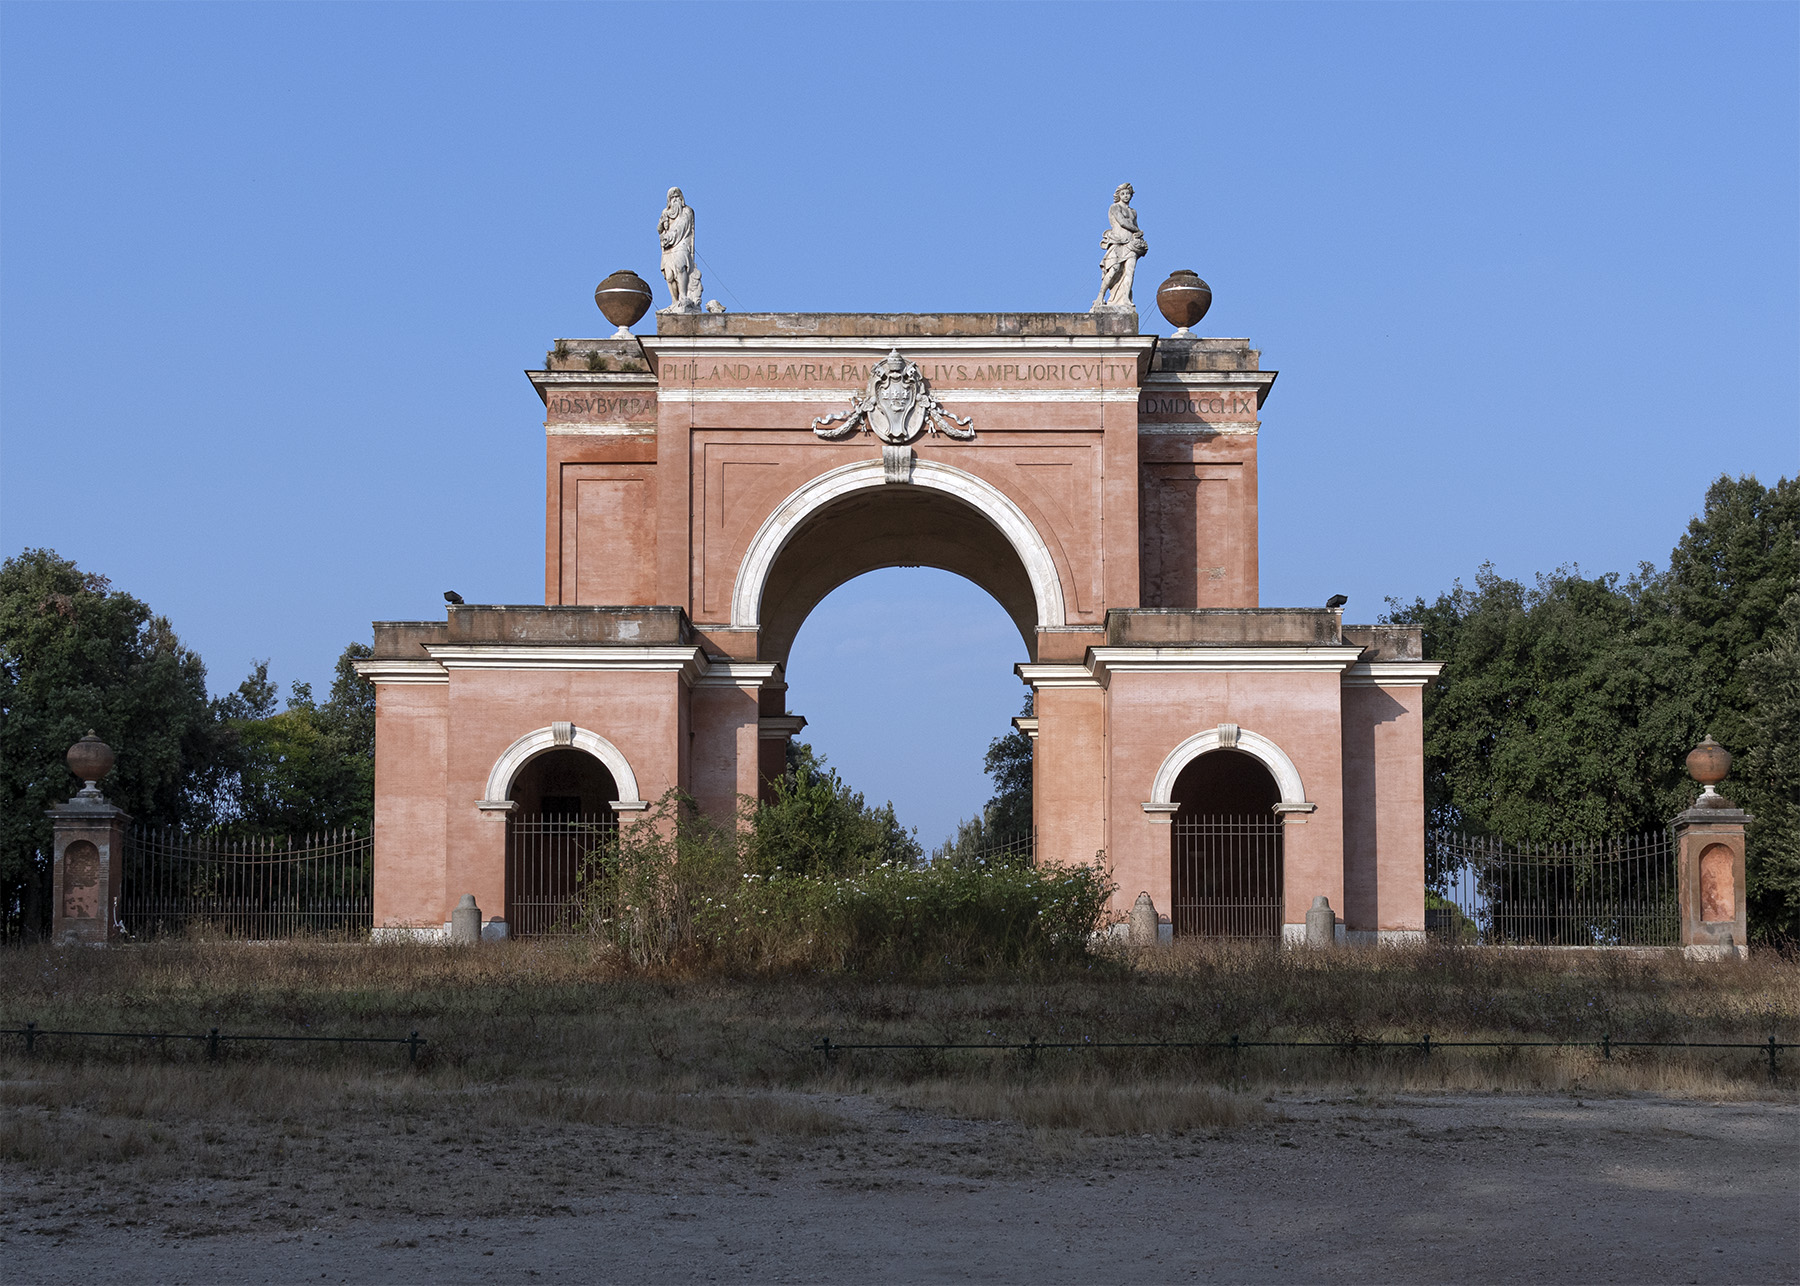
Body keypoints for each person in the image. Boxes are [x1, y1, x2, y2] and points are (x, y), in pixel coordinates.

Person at [1091, 183, 1148, 311]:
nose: (1126, 196)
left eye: (1128, 193)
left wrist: (1138, 237)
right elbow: (1122, 222)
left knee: (1130, 271)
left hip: (1131, 245)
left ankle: (1125, 298)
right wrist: (1138, 230)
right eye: (1123, 194)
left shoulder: (1133, 212)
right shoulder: (1114, 207)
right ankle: (1101, 295)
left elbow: (1133, 224)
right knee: (1114, 269)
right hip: (1117, 242)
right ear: (1118, 195)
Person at [657, 187, 697, 312]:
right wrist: (661, 226)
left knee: (680, 268)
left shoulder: (687, 211)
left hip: (681, 244)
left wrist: (669, 237)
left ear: (681, 199)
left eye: (677, 197)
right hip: (668, 247)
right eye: (672, 198)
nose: (675, 200)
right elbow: (659, 229)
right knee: (669, 275)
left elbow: (682, 226)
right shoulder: (665, 212)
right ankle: (674, 301)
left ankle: (683, 296)